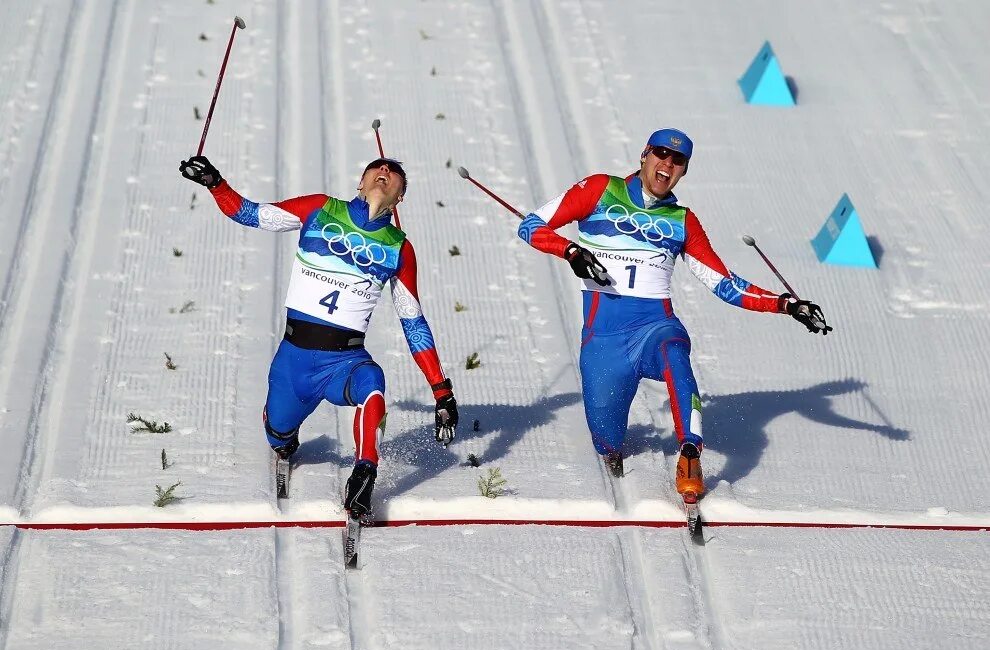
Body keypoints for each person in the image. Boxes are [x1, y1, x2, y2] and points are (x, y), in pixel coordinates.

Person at [516, 128, 830, 501]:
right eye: (661, 154)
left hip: (655, 326)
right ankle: (611, 444)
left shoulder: (682, 221)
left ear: (683, 171)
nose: (667, 164)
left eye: (677, 160)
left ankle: (690, 453)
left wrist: (786, 304)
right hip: (604, 339)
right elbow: (530, 226)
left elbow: (724, 283)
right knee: (606, 439)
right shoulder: (600, 190)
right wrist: (570, 252)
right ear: (644, 156)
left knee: (675, 355)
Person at [179, 154, 459, 518]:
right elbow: (252, 214)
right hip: (295, 359)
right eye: (377, 167)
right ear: (361, 183)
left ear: (400, 197)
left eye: (395, 174)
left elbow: (413, 321)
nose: (385, 171)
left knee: (373, 382)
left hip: (346, 362)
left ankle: (364, 476)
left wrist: (441, 390)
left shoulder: (399, 249)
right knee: (278, 432)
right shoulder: (319, 208)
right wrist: (215, 182)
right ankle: (283, 439)